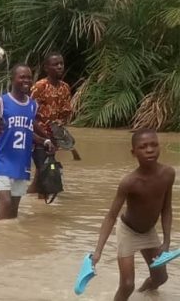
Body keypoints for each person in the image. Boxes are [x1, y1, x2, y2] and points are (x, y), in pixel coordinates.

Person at [92, 128, 175, 301]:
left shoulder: (168, 174)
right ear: (133, 152)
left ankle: (144, 295)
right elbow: (111, 216)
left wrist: (166, 241)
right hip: (128, 231)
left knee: (161, 278)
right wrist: (98, 251)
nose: (150, 150)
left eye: (154, 145)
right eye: (143, 147)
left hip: (149, 231)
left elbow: (166, 209)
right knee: (127, 284)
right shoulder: (129, 182)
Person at [0, 64, 54, 220]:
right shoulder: (0, 102)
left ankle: (10, 239)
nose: (26, 80)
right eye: (22, 77)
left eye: (29, 77)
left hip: (21, 162)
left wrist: (45, 141)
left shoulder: (33, 106)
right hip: (0, 159)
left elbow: (27, 131)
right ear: (12, 79)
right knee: (6, 202)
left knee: (14, 207)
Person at [28, 52, 72, 194]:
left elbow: (65, 112)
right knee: (45, 169)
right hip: (39, 136)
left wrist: (59, 131)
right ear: (46, 68)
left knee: (42, 170)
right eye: (55, 64)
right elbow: (29, 113)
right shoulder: (39, 87)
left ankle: (34, 196)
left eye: (61, 63)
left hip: (54, 136)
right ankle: (43, 203)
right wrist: (40, 134)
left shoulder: (65, 87)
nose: (59, 67)